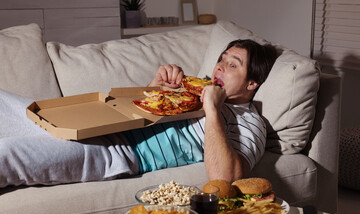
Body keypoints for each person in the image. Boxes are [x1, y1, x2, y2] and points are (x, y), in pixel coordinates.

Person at [0, 39, 278, 187]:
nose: (219, 68)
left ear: (251, 83)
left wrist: (213, 110)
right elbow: (134, 112)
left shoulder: (250, 122)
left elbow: (226, 179)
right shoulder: (192, 90)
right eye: (222, 59)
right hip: (101, 121)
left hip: (119, 150)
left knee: (7, 155)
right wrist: (154, 89)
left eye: (233, 65)